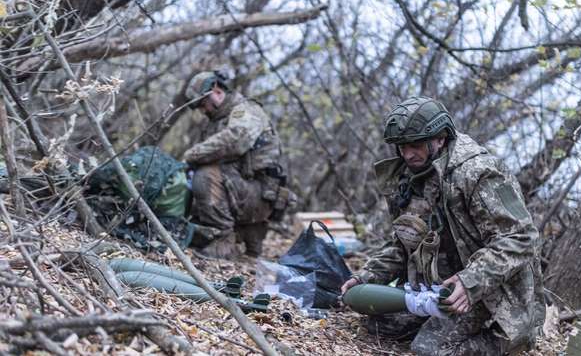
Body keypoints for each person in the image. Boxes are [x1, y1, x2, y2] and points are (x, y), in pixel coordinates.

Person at [341, 96, 545, 355]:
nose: (407, 153)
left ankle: (509, 339)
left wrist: (470, 281)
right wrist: (367, 276)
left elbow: (521, 237)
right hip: (437, 293)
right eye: (401, 146)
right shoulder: (410, 176)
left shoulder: (477, 173)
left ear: (440, 138)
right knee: (379, 325)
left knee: (428, 349)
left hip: (489, 292)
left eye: (415, 145)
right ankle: (438, 320)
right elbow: (404, 244)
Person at [183, 71, 294, 259]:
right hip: (243, 190)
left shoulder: (246, 110)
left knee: (204, 177)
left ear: (216, 91)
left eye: (203, 104)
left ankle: (224, 241)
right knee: (192, 182)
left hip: (259, 195)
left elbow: (236, 139)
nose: (203, 110)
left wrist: (191, 155)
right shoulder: (216, 122)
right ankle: (242, 238)